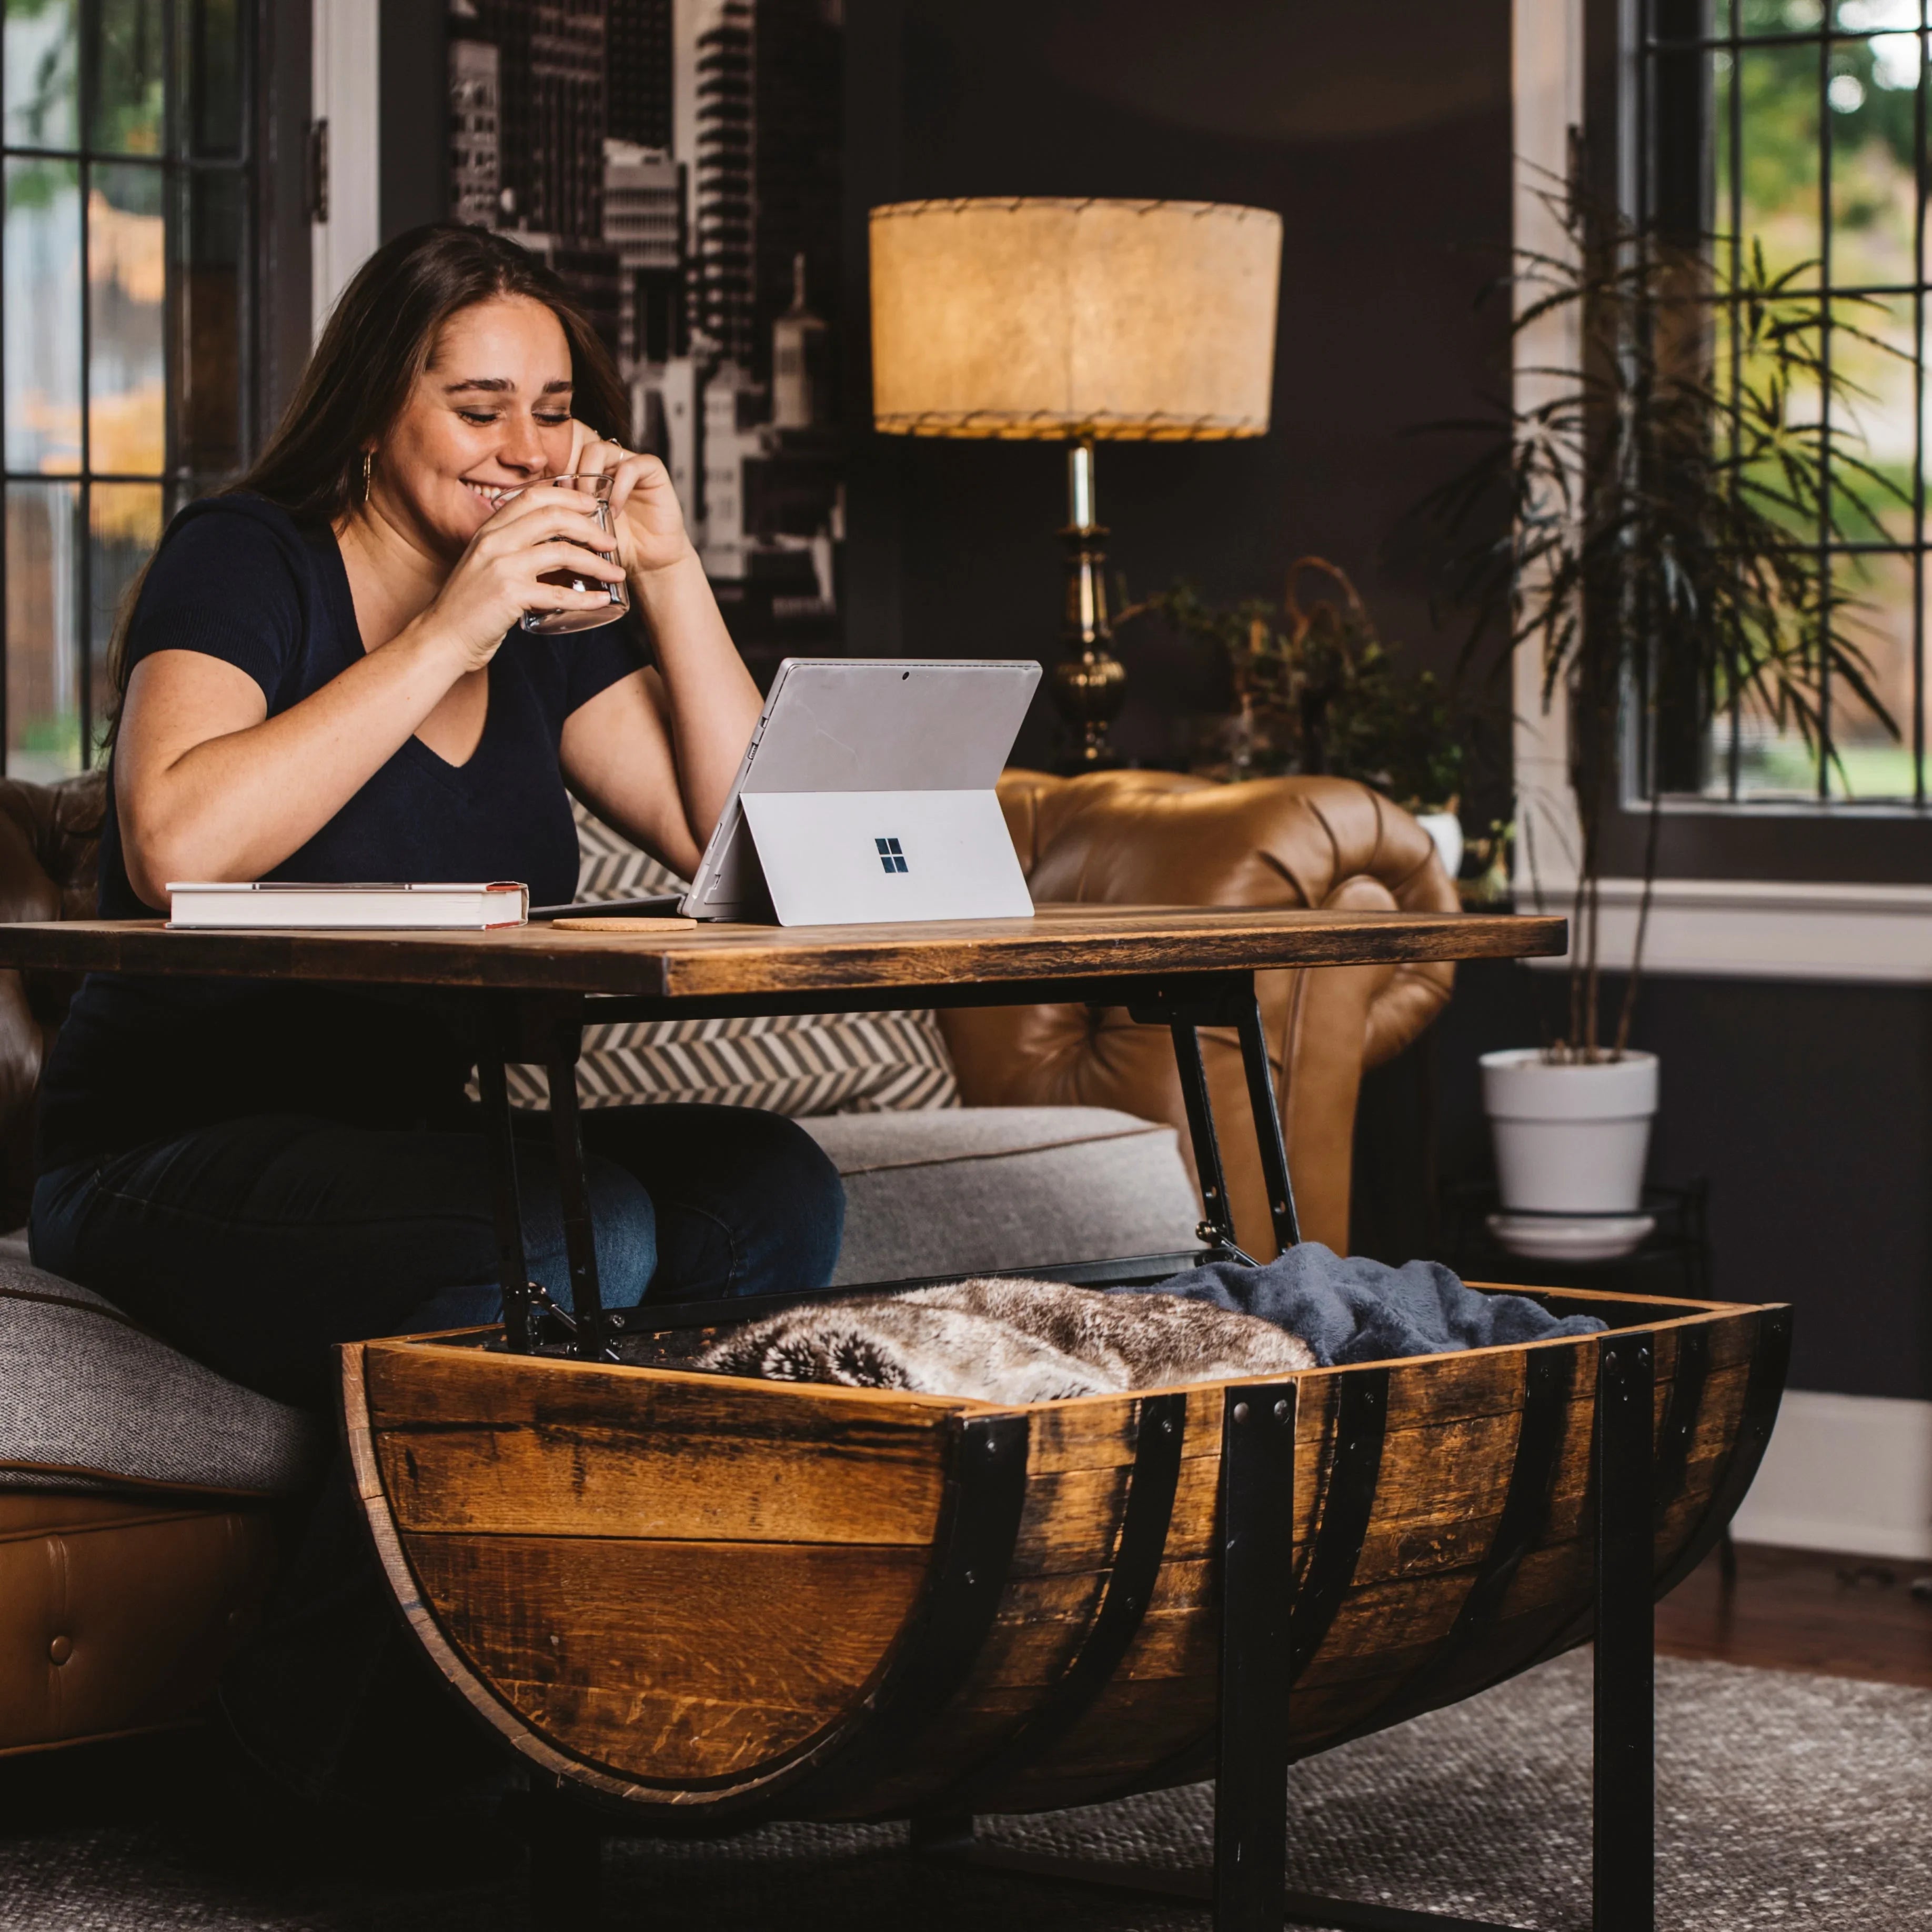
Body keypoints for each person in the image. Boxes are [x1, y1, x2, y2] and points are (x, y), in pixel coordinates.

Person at [28, 223, 846, 1411]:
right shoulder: (251, 559)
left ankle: (650, 1540)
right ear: (371, 413)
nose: (525, 452)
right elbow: (172, 848)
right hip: (158, 1153)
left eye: (554, 410)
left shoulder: (541, 614)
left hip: (399, 1146)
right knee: (587, 1228)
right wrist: (451, 630)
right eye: (480, 410)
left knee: (774, 1189)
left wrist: (671, 576)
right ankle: (373, 1599)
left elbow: (745, 843)